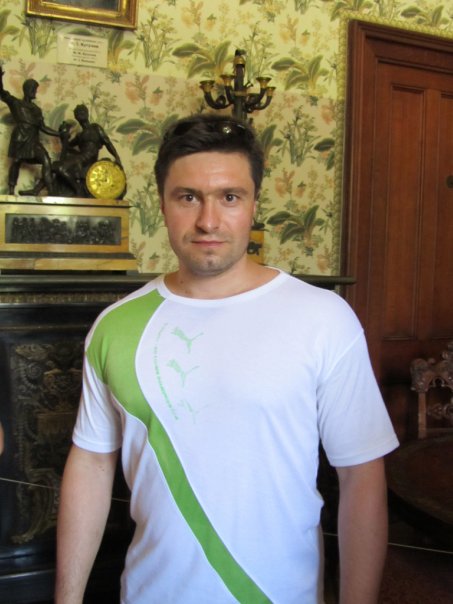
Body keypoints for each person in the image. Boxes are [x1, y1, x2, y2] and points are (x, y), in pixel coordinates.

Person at [55, 113, 399, 604]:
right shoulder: (116, 325)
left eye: (229, 197)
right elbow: (91, 462)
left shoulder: (324, 318)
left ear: (254, 204)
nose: (208, 221)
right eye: (188, 197)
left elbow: (361, 476)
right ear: (162, 204)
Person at [0, 67, 60, 195]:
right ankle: (11, 190)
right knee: (16, 161)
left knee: (46, 160)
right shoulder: (16, 103)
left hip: (33, 140)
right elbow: (2, 93)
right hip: (20, 137)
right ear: (26, 89)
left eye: (35, 89)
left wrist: (59, 134)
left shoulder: (37, 110)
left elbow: (43, 127)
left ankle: (48, 191)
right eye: (33, 89)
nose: (34, 92)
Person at [54, 103, 123, 197]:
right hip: (81, 158)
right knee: (58, 166)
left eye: (82, 111)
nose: (81, 114)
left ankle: (78, 189)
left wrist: (117, 157)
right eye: (78, 113)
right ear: (76, 117)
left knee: (61, 168)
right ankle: (76, 188)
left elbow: (108, 143)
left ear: (87, 113)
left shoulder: (96, 128)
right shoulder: (80, 135)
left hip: (88, 159)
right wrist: (64, 135)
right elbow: (67, 147)